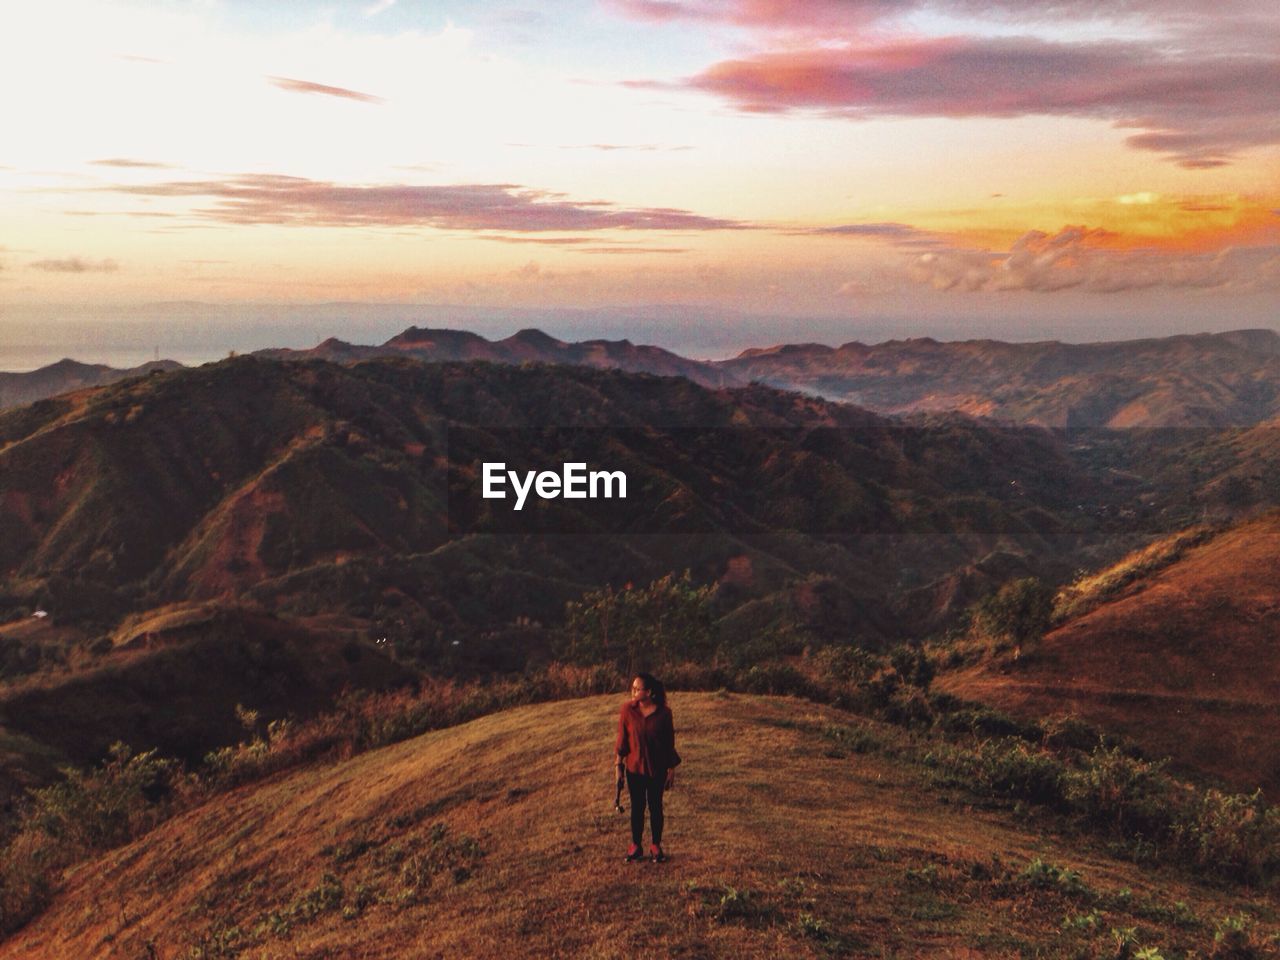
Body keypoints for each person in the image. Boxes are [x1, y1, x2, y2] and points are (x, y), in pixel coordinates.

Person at [614, 671, 680, 863]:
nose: (633, 692)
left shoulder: (664, 714)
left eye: (637, 689)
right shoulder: (628, 710)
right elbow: (622, 740)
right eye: (632, 688)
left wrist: (671, 769)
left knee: (656, 807)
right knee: (637, 808)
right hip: (634, 768)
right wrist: (618, 764)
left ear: (649, 691)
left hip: (657, 769)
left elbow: (669, 743)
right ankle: (636, 846)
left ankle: (656, 846)